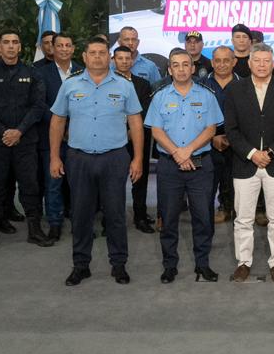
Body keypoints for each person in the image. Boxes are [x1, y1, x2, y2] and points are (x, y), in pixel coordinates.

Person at [49, 38, 145, 286]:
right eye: (93, 53)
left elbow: (135, 123)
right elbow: (58, 121)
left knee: (115, 214)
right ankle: (81, 266)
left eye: (102, 52)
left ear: (109, 57)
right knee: (81, 214)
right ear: (84, 57)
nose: (98, 57)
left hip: (114, 157)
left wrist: (137, 158)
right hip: (79, 158)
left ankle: (119, 265)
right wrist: (54, 157)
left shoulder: (124, 85)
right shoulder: (70, 85)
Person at [222, 42, 274, 283]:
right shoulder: (235, 89)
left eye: (267, 61)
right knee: (243, 218)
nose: (262, 65)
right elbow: (231, 130)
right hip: (245, 163)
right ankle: (244, 262)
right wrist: (252, 153)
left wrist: (271, 153)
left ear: (273, 64)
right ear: (249, 63)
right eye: (257, 60)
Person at [0, 31, 53, 252]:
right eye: (6, 42)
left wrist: (19, 131)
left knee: (30, 186)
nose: (10, 46)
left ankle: (35, 230)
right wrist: (4, 132)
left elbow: (39, 106)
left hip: (25, 141)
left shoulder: (33, 73)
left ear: (20, 47)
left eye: (14, 42)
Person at [146, 50, 223, 283]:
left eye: (185, 64)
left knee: (203, 218)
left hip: (200, 165)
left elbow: (211, 129)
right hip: (170, 166)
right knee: (168, 219)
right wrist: (177, 153)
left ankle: (203, 264)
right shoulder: (160, 96)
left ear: (193, 68)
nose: (181, 69)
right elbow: (156, 130)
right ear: (169, 70)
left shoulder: (207, 95)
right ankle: (170, 266)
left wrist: (187, 151)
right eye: (176, 65)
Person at [33, 32, 79, 240]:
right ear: (52, 48)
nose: (64, 49)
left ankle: (80, 222)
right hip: (50, 137)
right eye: (60, 45)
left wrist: (72, 127)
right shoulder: (40, 73)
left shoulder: (82, 71)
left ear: (73, 49)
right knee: (53, 183)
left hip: (78, 137)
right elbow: (39, 104)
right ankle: (54, 223)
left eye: (68, 45)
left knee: (78, 184)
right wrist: (60, 127)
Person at [112, 45, 155, 234]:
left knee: (140, 179)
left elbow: (146, 111)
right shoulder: (107, 82)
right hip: (114, 140)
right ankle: (111, 220)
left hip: (139, 139)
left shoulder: (143, 84)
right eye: (120, 58)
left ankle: (140, 217)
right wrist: (123, 131)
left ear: (132, 60)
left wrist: (133, 131)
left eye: (127, 58)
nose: (124, 61)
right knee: (114, 181)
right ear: (114, 60)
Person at [201, 45, 239, 225]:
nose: (222, 64)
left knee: (233, 180)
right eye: (217, 60)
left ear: (234, 62)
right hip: (207, 141)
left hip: (237, 141)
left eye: (226, 60)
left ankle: (228, 208)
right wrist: (212, 137)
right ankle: (205, 214)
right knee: (208, 182)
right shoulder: (201, 85)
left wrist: (232, 138)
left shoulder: (244, 84)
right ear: (212, 62)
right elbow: (196, 115)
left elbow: (249, 116)